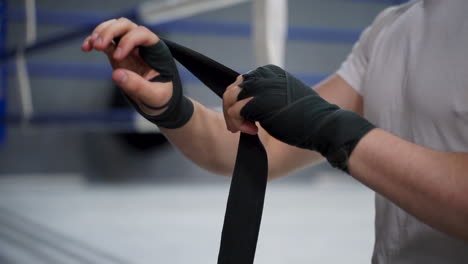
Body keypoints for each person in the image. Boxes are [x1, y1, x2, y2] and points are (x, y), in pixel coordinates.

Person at [81, 0, 468, 262]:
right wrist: (172, 109)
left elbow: (325, 127)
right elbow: (265, 144)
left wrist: (332, 129)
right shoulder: (390, 29)